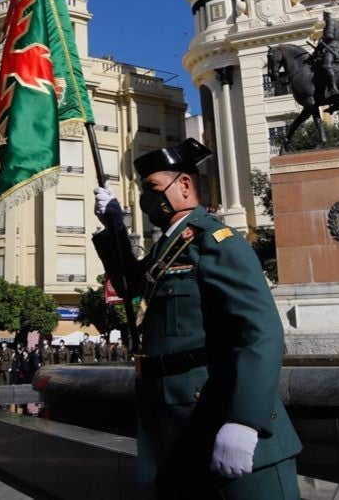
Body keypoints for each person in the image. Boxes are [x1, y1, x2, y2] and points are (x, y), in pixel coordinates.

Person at [92, 138, 301, 498]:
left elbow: (261, 332)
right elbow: (130, 284)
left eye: (153, 188)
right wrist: (114, 225)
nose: (147, 199)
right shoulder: (166, 248)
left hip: (223, 421)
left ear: (184, 186)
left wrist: (244, 420)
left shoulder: (217, 241)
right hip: (173, 427)